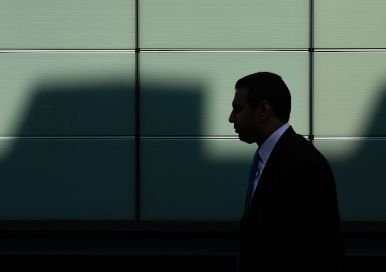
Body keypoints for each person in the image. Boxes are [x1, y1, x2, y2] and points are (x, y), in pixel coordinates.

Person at [228, 72, 345, 271]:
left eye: (238, 109)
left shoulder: (303, 164)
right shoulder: (274, 159)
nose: (231, 118)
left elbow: (316, 253)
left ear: (263, 110)